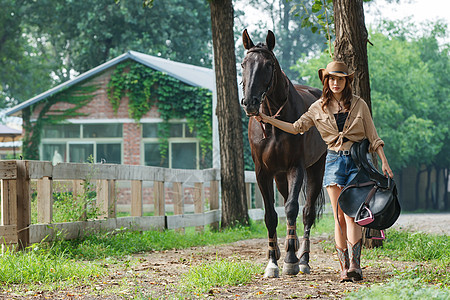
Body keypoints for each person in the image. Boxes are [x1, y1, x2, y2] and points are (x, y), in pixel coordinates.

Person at [255, 61, 393, 282]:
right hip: (334, 161)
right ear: (326, 81)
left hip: (357, 163)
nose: (335, 83)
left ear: (346, 81)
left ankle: (355, 265)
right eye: (331, 78)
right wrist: (268, 119)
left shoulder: (359, 105)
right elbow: (296, 127)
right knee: (338, 216)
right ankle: (343, 266)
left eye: (340, 79)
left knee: (352, 215)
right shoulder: (318, 107)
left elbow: (374, 136)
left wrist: (384, 162)